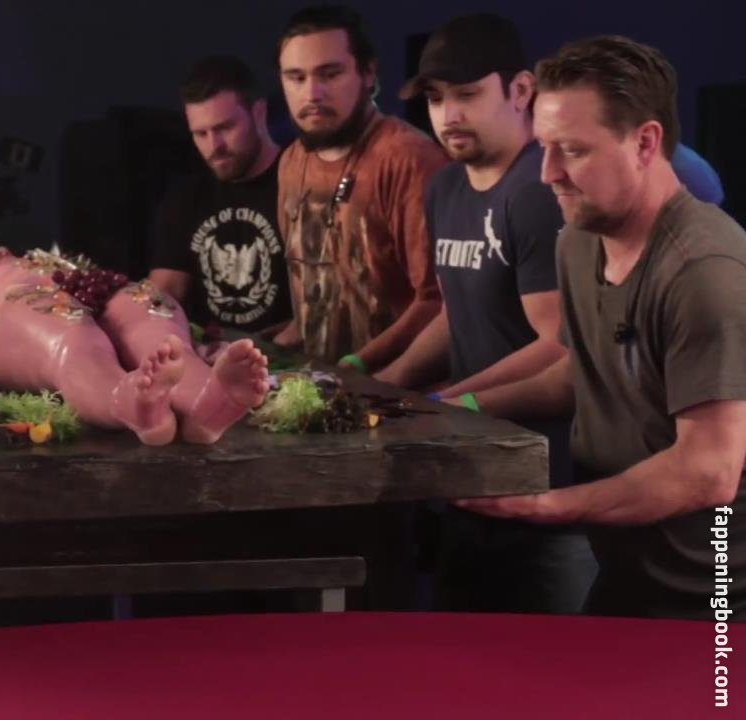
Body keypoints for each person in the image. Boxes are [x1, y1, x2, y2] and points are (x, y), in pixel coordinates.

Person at [455, 36, 746, 620]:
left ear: (645, 142)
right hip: (627, 577)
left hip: (717, 602)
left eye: (572, 151)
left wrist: (550, 505)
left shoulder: (705, 272)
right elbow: (582, 373)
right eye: (543, 147)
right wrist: (454, 406)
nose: (548, 173)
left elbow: (709, 471)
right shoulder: (578, 240)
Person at [379, 13, 595, 613]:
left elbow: (559, 347)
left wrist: (454, 403)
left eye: (468, 94)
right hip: (471, 482)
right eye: (435, 98)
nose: (449, 114)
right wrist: (383, 386)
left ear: (521, 90)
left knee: (557, 665)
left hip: (550, 487)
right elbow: (459, 311)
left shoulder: (539, 190)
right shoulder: (444, 189)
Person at [0, 249, 270, 445]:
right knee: (71, 340)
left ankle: (206, 401)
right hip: (22, 304)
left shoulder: (49, 263)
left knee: (153, 321)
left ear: (1, 253)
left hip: (102, 288)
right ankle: (124, 400)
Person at [273, 4, 446, 370]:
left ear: (368, 73)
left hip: (399, 389)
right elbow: (315, 297)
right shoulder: (291, 161)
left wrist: (357, 367)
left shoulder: (407, 158)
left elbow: (437, 302)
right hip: (316, 385)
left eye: (330, 74)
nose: (312, 93)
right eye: (296, 77)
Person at [147, 55, 290, 336]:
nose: (214, 146)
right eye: (200, 133)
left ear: (258, 113)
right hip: (207, 354)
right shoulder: (187, 196)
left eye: (225, 128)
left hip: (287, 355)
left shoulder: (300, 182)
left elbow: (322, 310)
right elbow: (165, 292)